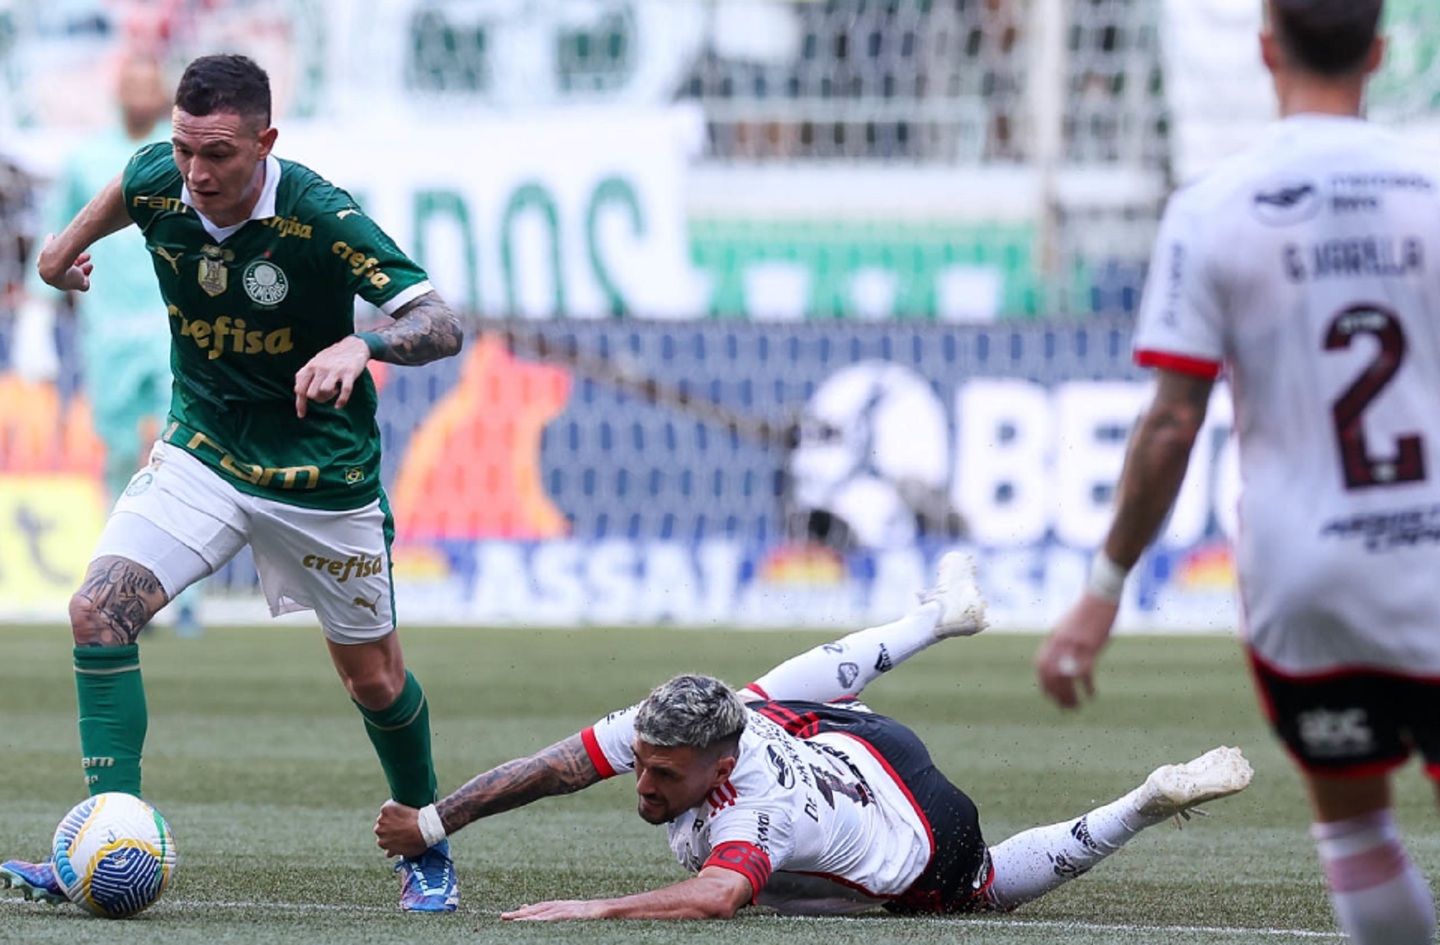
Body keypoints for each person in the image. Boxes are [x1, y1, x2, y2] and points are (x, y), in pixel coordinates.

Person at [0, 53, 465, 913]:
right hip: (203, 452)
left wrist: (365, 344)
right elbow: (128, 187)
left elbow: (441, 322)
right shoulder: (161, 174)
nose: (195, 173)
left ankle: (425, 840)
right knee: (97, 613)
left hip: (321, 475)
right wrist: (61, 250)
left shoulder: (322, 215)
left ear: (266, 141)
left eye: (217, 154)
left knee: (374, 679)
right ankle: (104, 833)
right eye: (184, 149)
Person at [1034, 3, 1440, 943]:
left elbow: (1173, 425)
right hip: (1431, 557)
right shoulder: (1429, 194)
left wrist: (1102, 590)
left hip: (1308, 579)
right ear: (1380, 54)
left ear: (1266, 51)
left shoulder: (1215, 207)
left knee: (1357, 826)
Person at [376, 553, 1252, 920]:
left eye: (663, 777)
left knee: (983, 890)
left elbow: (719, 895)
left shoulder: (754, 805)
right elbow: (552, 768)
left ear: (716, 767)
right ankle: (938, 617)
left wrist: (594, 906)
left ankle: (1142, 801)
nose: (640, 786)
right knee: (756, 692)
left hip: (925, 834)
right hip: (860, 745)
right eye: (641, 766)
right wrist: (433, 822)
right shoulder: (686, 723)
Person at [19, 52, 208, 637]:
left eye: (150, 81)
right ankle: (122, 586)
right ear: (116, 89)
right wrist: (37, 314)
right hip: (107, 334)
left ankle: (186, 597)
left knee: (179, 453)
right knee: (121, 458)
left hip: (174, 326)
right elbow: (59, 230)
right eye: (131, 80)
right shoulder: (87, 159)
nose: (140, 90)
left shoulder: (183, 157)